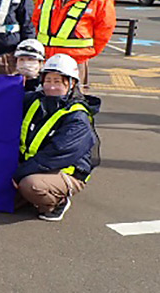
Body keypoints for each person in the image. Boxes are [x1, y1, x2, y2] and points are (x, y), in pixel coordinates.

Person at [15, 54, 100, 221]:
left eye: (58, 82)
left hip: (65, 171)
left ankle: (58, 202)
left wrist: (18, 174)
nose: (51, 87)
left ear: (72, 83)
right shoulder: (36, 101)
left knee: (30, 186)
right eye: (48, 81)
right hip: (34, 165)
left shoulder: (78, 117)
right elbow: (3, 100)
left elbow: (55, 154)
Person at [32, 0, 117, 86]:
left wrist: (86, 53)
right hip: (46, 59)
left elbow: (104, 31)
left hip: (76, 61)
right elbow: (35, 21)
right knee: (44, 100)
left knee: (74, 102)